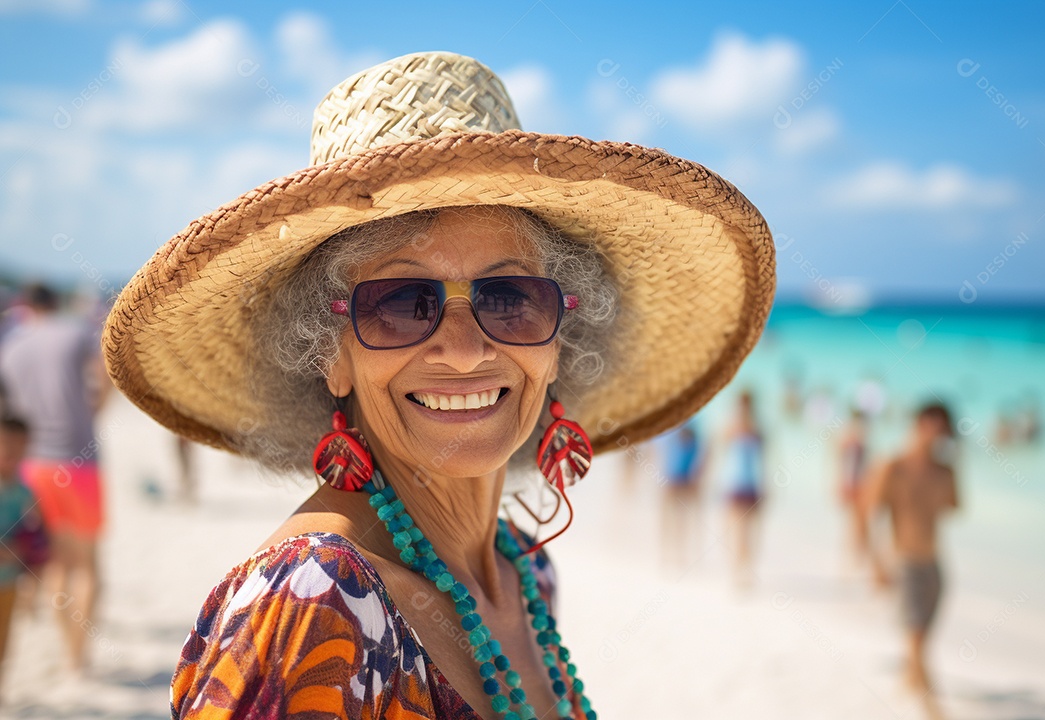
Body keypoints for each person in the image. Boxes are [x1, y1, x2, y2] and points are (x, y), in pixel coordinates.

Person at [102, 52, 776, 719]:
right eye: (401, 303)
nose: (464, 351)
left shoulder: (524, 574)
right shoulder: (309, 602)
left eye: (510, 299)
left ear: (559, 344)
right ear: (330, 355)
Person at [0, 283, 107, 671]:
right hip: (79, 461)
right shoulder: (75, 332)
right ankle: (79, 656)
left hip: (32, 466)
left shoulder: (11, 345)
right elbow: (106, 373)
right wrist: (94, 410)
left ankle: (66, 649)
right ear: (54, 302)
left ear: (26, 306)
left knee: (57, 564)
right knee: (87, 564)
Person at [863, 402, 959, 693]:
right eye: (933, 426)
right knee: (915, 635)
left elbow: (954, 506)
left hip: (934, 562)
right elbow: (868, 513)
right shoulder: (893, 467)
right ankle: (928, 699)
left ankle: (910, 682)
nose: (936, 435)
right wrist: (876, 563)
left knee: (923, 635)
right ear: (918, 424)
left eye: (942, 430)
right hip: (905, 560)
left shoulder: (944, 471)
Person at [0, 416, 45, 690]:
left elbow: (35, 537)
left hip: (9, 581)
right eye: (5, 446)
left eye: (18, 448)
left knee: (4, 640)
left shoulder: (24, 491)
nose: (10, 453)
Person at [715, 390, 764, 585]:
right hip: (736, 483)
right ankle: (738, 570)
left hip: (747, 483)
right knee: (737, 530)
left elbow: (763, 459)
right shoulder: (737, 427)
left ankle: (742, 570)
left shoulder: (754, 428)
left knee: (745, 531)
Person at [659, 422, 705, 570]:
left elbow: (698, 461)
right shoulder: (681, 436)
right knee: (673, 518)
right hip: (674, 480)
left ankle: (675, 550)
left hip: (680, 480)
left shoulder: (687, 436)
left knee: (678, 518)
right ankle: (669, 550)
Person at [837, 408, 870, 565]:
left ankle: (855, 556)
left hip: (859, 486)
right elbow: (844, 467)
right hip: (853, 486)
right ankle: (853, 557)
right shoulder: (852, 443)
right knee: (856, 522)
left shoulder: (855, 443)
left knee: (858, 522)